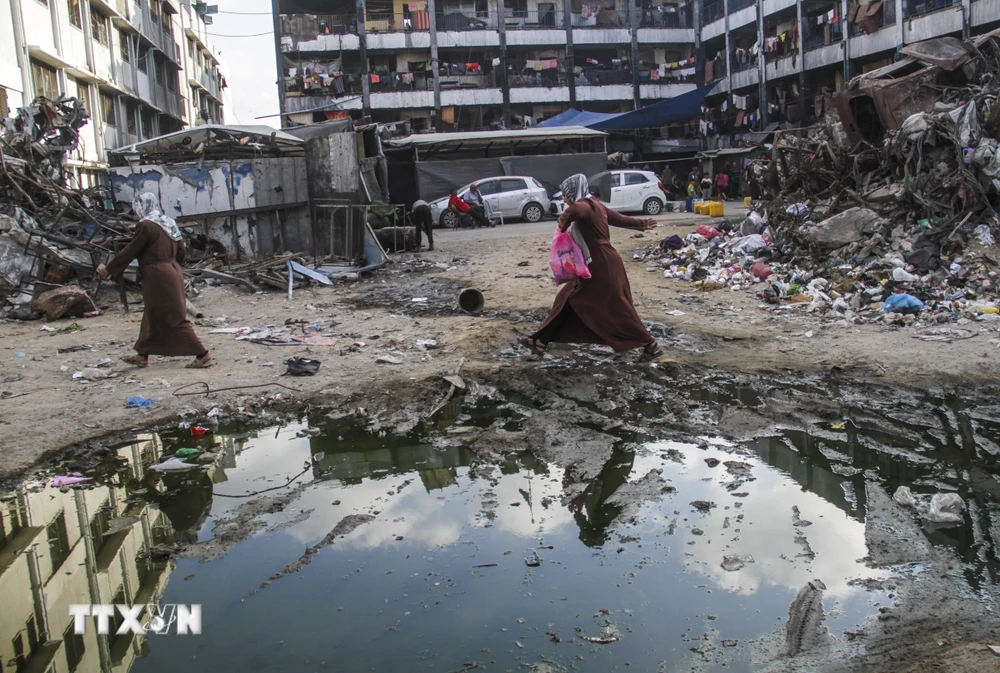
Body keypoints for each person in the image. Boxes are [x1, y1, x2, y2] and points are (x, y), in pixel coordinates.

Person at [523, 174, 667, 362]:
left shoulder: (586, 205)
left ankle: (651, 345)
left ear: (573, 193)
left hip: (600, 263)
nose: (564, 199)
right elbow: (620, 219)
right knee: (567, 298)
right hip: (603, 262)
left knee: (616, 307)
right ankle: (540, 341)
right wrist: (641, 224)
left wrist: (563, 221)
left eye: (566, 195)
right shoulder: (597, 206)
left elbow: (577, 210)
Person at [98, 193, 212, 369]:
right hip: (172, 270)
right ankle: (142, 354)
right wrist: (172, 265)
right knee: (153, 312)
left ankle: (202, 354)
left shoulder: (146, 225)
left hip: (157, 274)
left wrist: (110, 269)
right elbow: (181, 250)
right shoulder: (168, 222)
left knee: (174, 316)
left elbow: (131, 250)